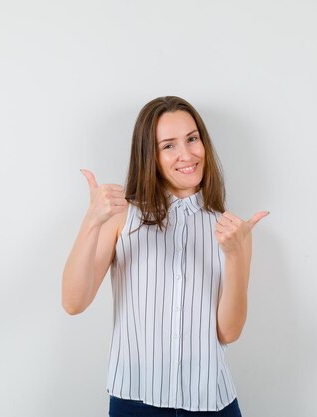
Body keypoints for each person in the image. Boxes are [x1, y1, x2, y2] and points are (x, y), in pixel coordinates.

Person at [62, 96, 269, 416]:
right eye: (168, 145)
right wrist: (91, 221)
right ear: (150, 156)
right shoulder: (123, 217)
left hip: (211, 402)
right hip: (134, 401)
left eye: (192, 139)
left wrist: (234, 256)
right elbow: (74, 302)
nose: (186, 154)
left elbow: (229, 332)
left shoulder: (232, 230)